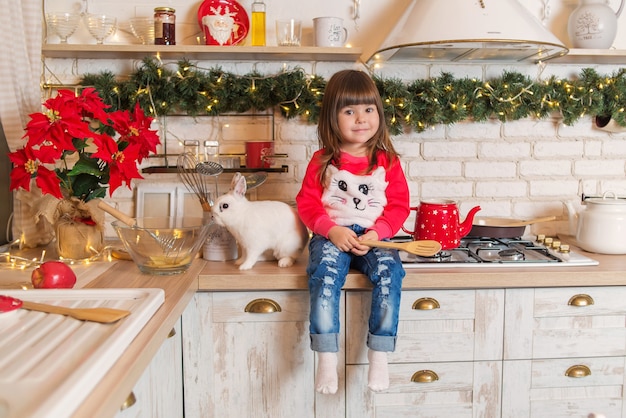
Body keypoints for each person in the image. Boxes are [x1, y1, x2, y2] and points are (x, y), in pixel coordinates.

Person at [296, 69, 410, 394]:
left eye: (368, 109)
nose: (361, 119)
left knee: (391, 272)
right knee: (325, 275)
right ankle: (327, 358)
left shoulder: (387, 161)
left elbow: (399, 206)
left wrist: (380, 232)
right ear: (333, 117)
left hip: (375, 236)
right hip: (333, 236)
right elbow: (307, 204)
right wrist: (330, 230)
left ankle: (380, 355)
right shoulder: (322, 161)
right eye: (349, 111)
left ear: (378, 113)